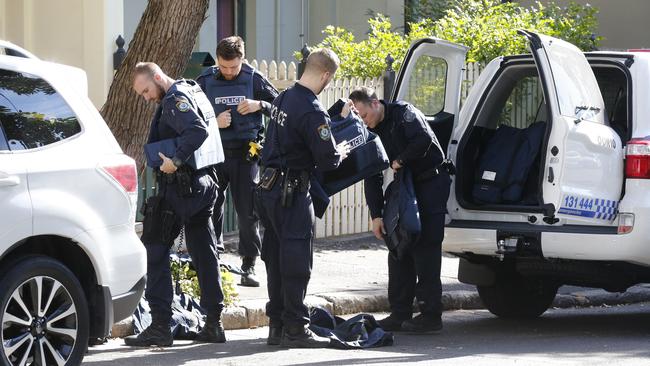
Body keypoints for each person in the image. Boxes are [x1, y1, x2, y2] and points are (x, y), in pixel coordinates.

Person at [125, 62, 226, 347]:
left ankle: (159, 325)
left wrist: (176, 160)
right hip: (203, 184)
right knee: (204, 252)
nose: (145, 97)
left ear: (157, 77)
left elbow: (196, 130)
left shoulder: (174, 99)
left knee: (154, 251)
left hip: (181, 187)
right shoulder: (190, 88)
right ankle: (213, 323)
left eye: (146, 90)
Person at [257, 48, 351, 348]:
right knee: (296, 261)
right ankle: (296, 328)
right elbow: (327, 159)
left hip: (268, 189)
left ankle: (277, 325)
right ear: (326, 75)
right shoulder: (312, 109)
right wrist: (342, 151)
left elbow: (289, 138)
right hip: (292, 194)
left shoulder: (284, 97)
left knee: (274, 258)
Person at [349, 86, 451, 333]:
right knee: (398, 245)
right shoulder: (368, 131)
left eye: (363, 115)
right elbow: (371, 174)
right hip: (405, 186)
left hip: (430, 182)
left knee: (425, 246)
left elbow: (423, 140)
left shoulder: (404, 113)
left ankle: (430, 315)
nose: (363, 121)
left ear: (375, 103)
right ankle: (399, 312)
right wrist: (376, 215)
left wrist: (400, 159)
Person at [197, 36, 278, 287]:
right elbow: (190, 116)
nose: (229, 72)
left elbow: (282, 107)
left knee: (247, 211)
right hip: (216, 154)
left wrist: (258, 105)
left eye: (234, 67)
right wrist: (213, 122)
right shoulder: (206, 80)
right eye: (224, 67)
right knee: (212, 206)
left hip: (247, 153)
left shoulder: (253, 78)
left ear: (242, 58)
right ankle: (215, 258)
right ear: (218, 60)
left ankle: (249, 264)